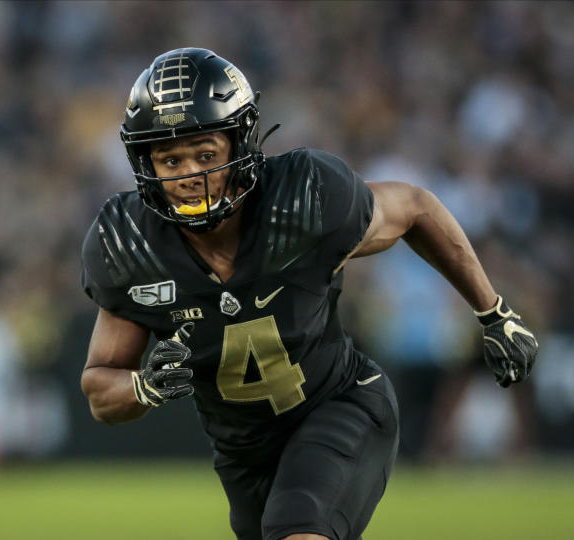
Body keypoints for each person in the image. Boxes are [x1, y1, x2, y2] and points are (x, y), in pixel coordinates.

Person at [80, 48, 539, 540]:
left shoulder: (302, 200)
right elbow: (100, 389)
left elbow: (415, 207)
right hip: (244, 457)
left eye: (206, 154)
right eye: (170, 159)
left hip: (339, 405)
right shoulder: (129, 245)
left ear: (240, 146)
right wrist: (142, 388)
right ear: (143, 162)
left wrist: (493, 311)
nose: (189, 174)